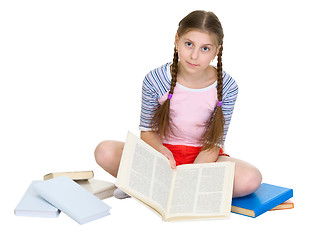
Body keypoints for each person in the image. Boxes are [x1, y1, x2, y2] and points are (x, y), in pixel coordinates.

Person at [95, 10, 262, 199]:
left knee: (250, 178)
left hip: (204, 158)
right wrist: (161, 153)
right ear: (177, 41)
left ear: (217, 51)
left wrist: (192, 174)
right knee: (105, 151)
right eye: (189, 44)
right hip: (161, 157)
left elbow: (214, 143)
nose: (194, 55)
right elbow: (147, 130)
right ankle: (162, 185)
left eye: (205, 48)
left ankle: (152, 187)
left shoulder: (227, 86)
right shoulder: (155, 79)